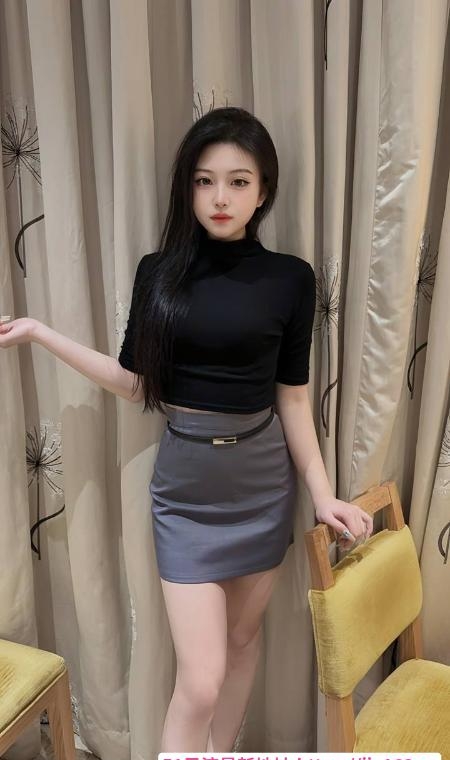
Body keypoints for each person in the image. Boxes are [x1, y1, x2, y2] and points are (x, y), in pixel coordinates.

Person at [0, 106, 373, 753]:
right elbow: (137, 384)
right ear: (187, 188)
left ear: (264, 190)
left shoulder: (290, 279)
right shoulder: (159, 273)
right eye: (205, 181)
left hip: (262, 488)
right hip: (187, 496)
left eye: (238, 181)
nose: (220, 197)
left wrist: (322, 495)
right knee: (200, 681)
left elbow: (292, 398)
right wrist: (40, 333)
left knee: (244, 642)